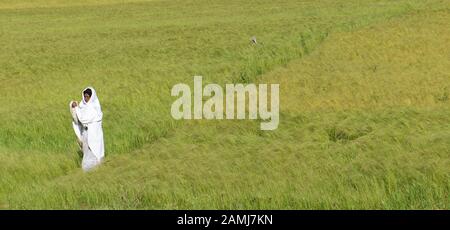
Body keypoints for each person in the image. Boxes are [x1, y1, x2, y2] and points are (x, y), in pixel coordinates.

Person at [69, 87, 105, 172]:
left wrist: (76, 108)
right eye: (85, 96)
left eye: (88, 96)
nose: (86, 98)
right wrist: (73, 106)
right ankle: (87, 171)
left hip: (94, 135)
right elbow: (78, 118)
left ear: (91, 97)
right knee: (86, 153)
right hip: (86, 135)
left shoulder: (94, 107)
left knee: (94, 151)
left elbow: (83, 119)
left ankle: (96, 169)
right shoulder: (82, 105)